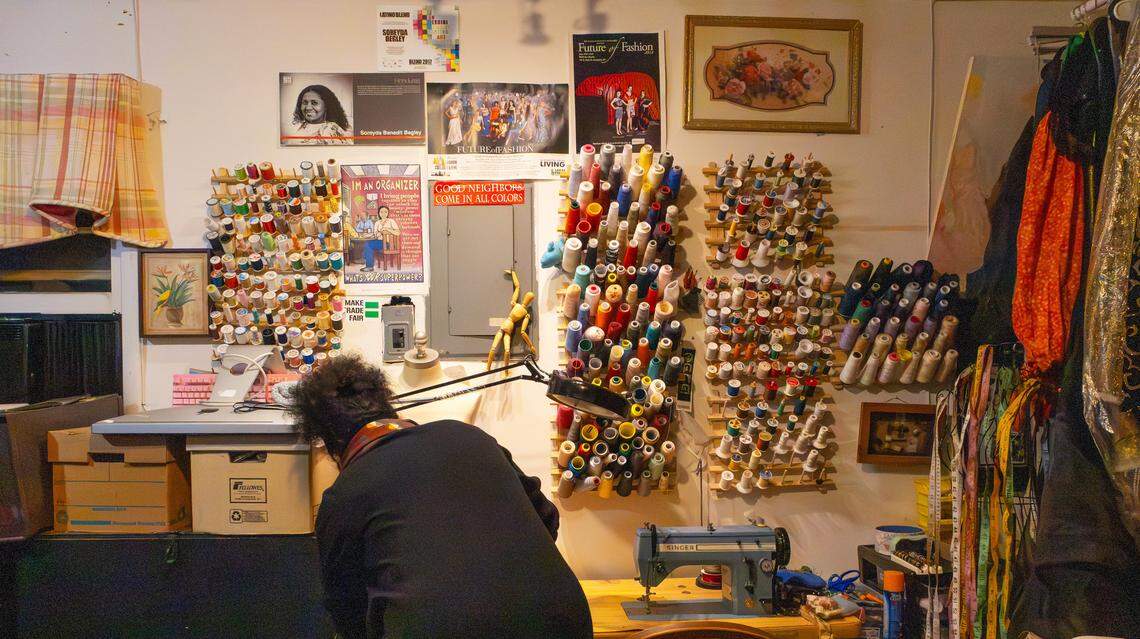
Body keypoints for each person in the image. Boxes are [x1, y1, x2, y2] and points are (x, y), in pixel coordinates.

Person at [289, 355, 593, 639]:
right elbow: (547, 521)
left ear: (332, 444)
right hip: (563, 619)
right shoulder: (469, 437)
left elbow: (347, 611)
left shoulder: (344, 495)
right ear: (386, 405)